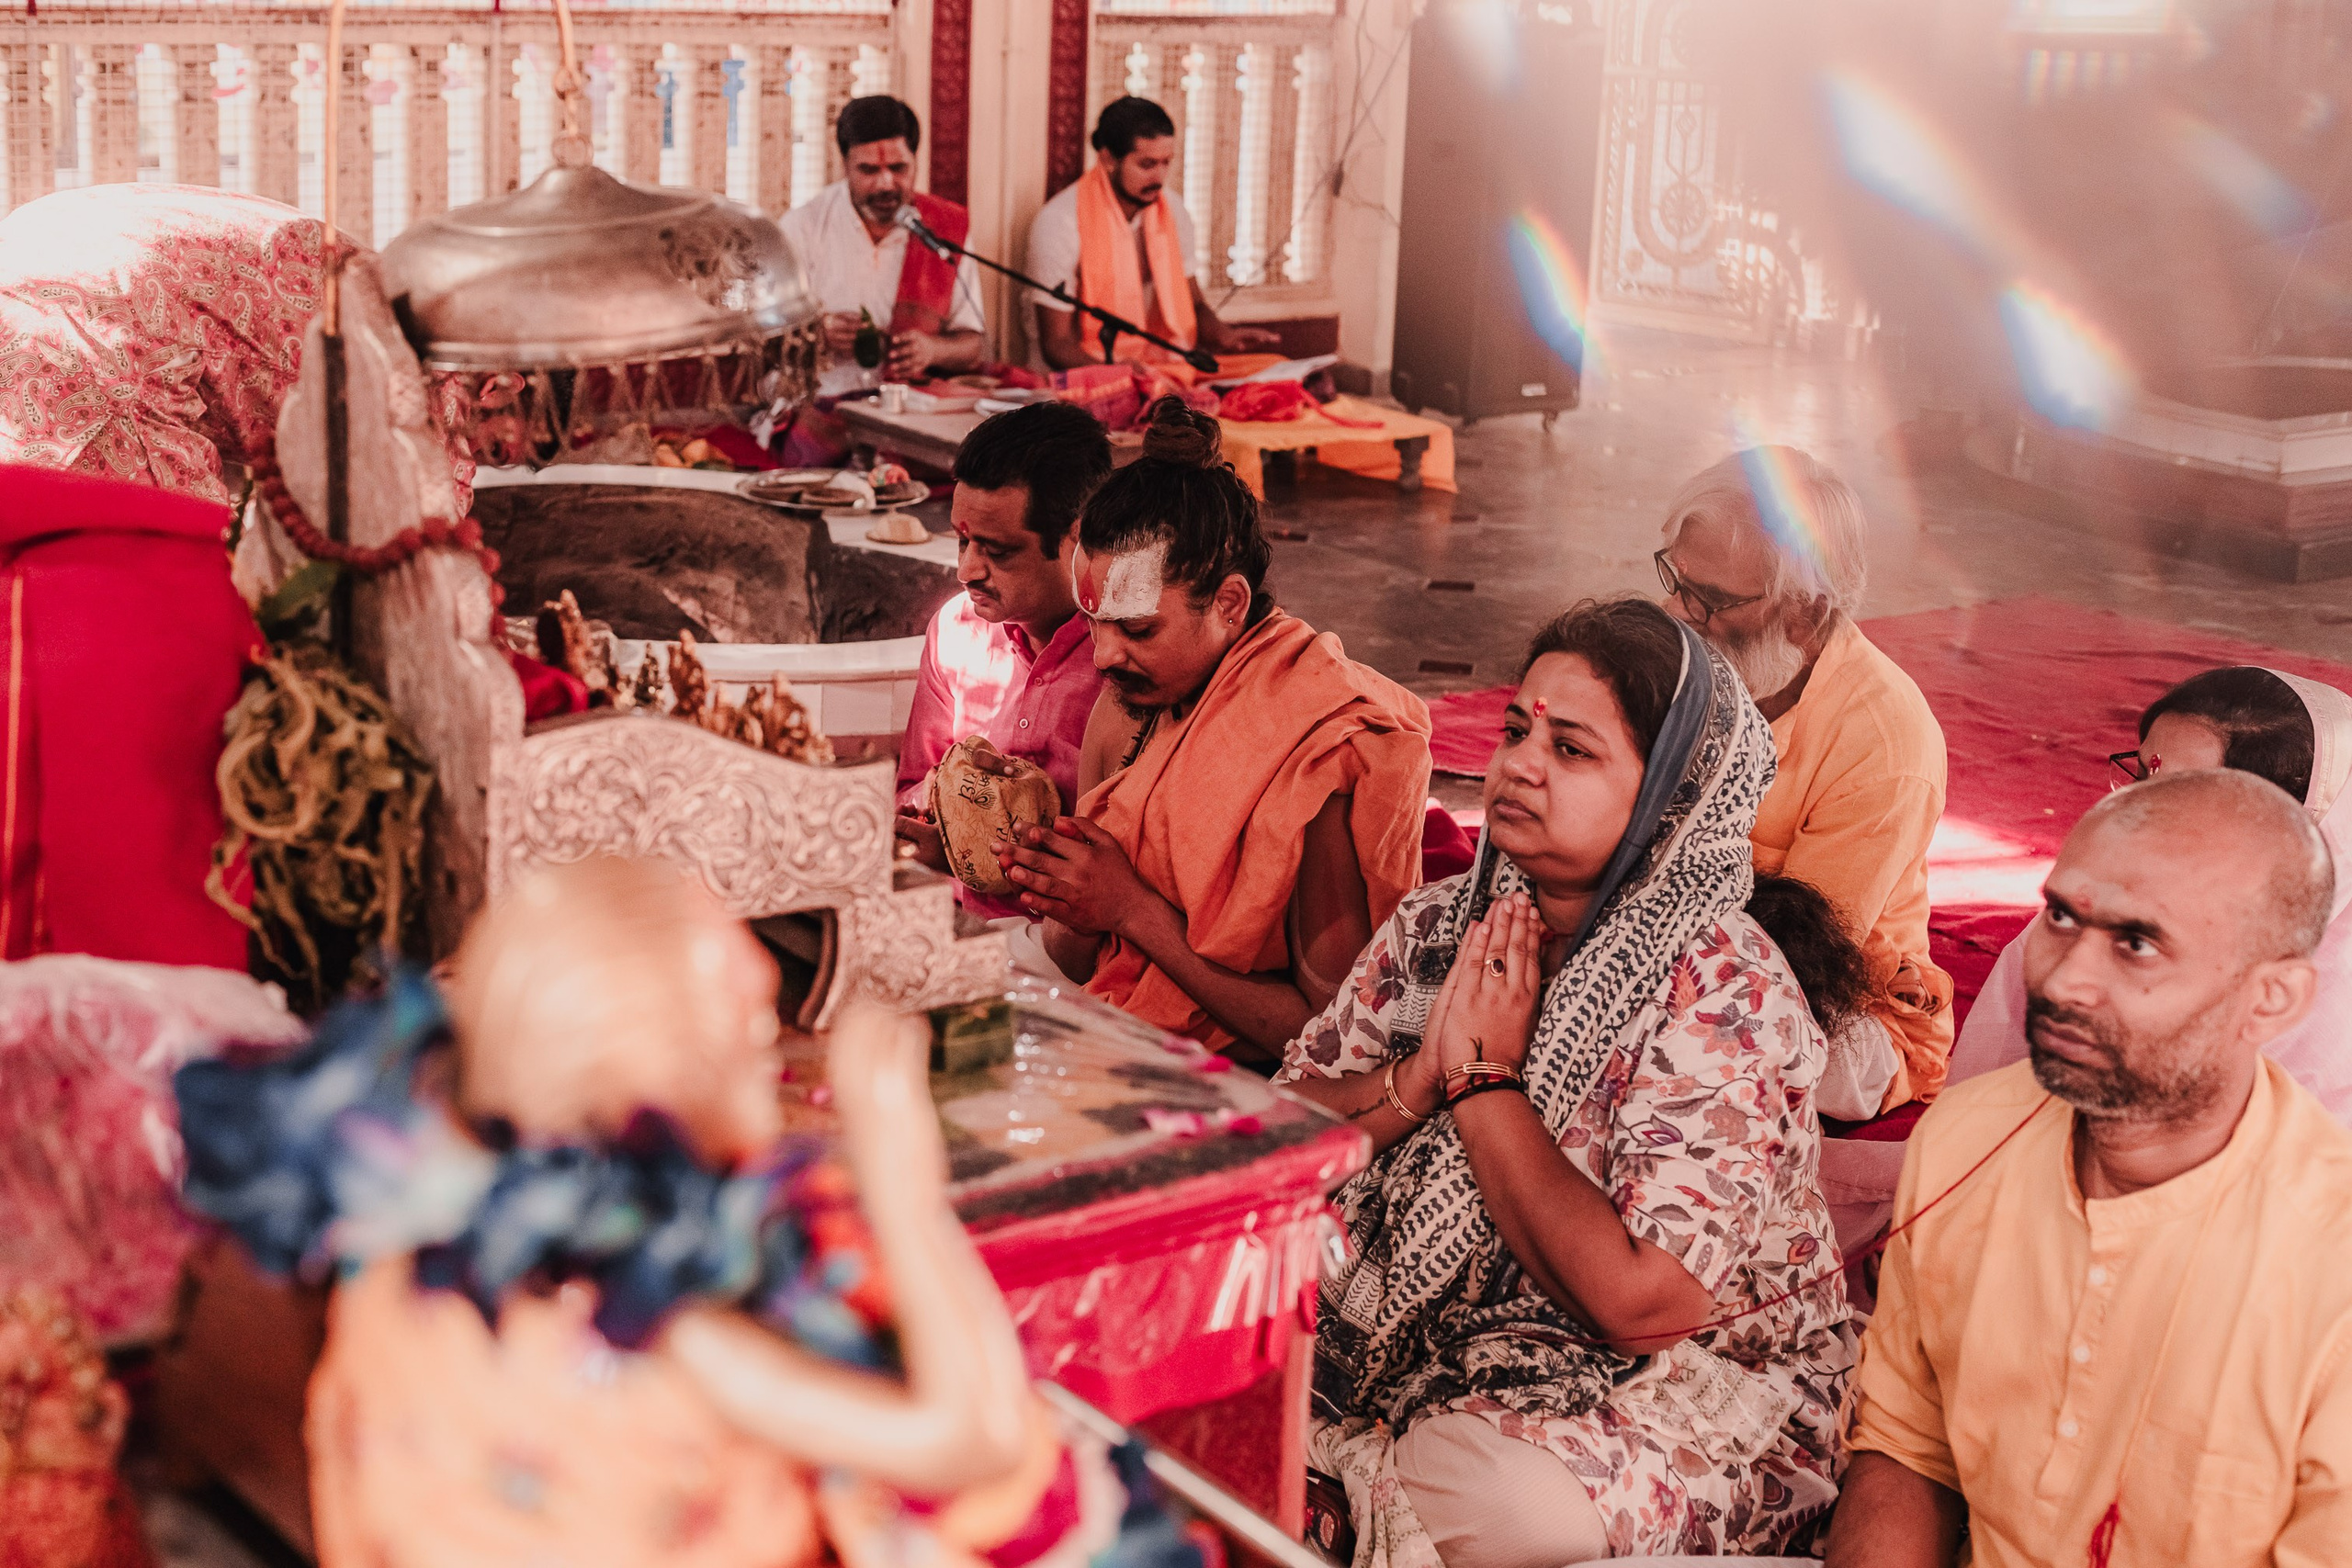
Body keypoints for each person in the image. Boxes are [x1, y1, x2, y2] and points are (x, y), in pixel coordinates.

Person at [1280, 598, 1855, 1564]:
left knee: (1486, 1494)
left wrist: (1484, 1083)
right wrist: (1419, 1076)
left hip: (1685, 1381)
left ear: (1670, 794)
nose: (1516, 765)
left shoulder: (1722, 986)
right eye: (1515, 730)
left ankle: (1342, 1487)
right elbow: (1275, 1134)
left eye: (1573, 750)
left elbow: (1646, 1306)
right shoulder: (1440, 925)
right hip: (1438, 1344)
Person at [1828, 769, 2352, 1568]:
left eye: (2138, 943)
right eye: (2063, 916)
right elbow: (1908, 1445)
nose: (2065, 978)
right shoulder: (1965, 1138)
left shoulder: (2330, 1258)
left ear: (2272, 999)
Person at [999, 399, 1430, 1066]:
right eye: (1093, 625)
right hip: (1109, 1022)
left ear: (1229, 604)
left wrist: (1132, 911)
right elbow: (1079, 957)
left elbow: (1333, 1033)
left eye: (1138, 629)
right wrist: (1064, 892)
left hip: (1248, 1082)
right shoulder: (1124, 710)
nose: (1105, 656)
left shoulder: (1315, 749)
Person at [1656, 446, 1951, 1119]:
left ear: (1807, 614)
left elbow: (1789, 965)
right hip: (1677, 933)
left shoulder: (1885, 741)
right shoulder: (1693, 648)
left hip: (1839, 1004)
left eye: (1712, 600)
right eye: (1676, 577)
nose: (1676, 610)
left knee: (1682, 1049)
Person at [1949, 665, 2352, 1124]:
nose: (2138, 818)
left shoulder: (2328, 1007)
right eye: (2142, 780)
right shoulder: (2092, 910)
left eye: (2184, 799)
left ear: (2285, 822)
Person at [893, 401, 1114, 917]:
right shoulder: (956, 629)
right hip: (953, 921)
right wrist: (935, 826)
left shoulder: (1127, 660)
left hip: (1081, 950)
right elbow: (913, 784)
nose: (967, 570)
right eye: (963, 540)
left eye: (998, 550)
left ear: (1077, 538)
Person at [0, 184, 329, 505]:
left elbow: (190, 535)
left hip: (337, 364)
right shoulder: (21, 248)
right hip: (320, 277)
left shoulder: (54, 386)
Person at [1023, 97, 1278, 372]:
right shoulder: (1059, 222)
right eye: (1147, 164)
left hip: (1159, 370)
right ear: (1108, 159)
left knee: (1274, 370)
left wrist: (1223, 334)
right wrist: (1122, 376)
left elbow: (1194, 303)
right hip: (1079, 383)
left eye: (1166, 163)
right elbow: (1057, 345)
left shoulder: (1172, 210)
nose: (1159, 177)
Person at [777, 96, 984, 404]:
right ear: (845, 166)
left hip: (912, 408)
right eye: (868, 170)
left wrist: (931, 350)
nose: (885, 184)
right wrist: (817, 336)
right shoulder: (803, 227)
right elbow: (763, 341)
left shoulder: (943, 231)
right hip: (823, 405)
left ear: (916, 161)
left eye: (898, 168)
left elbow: (973, 345)